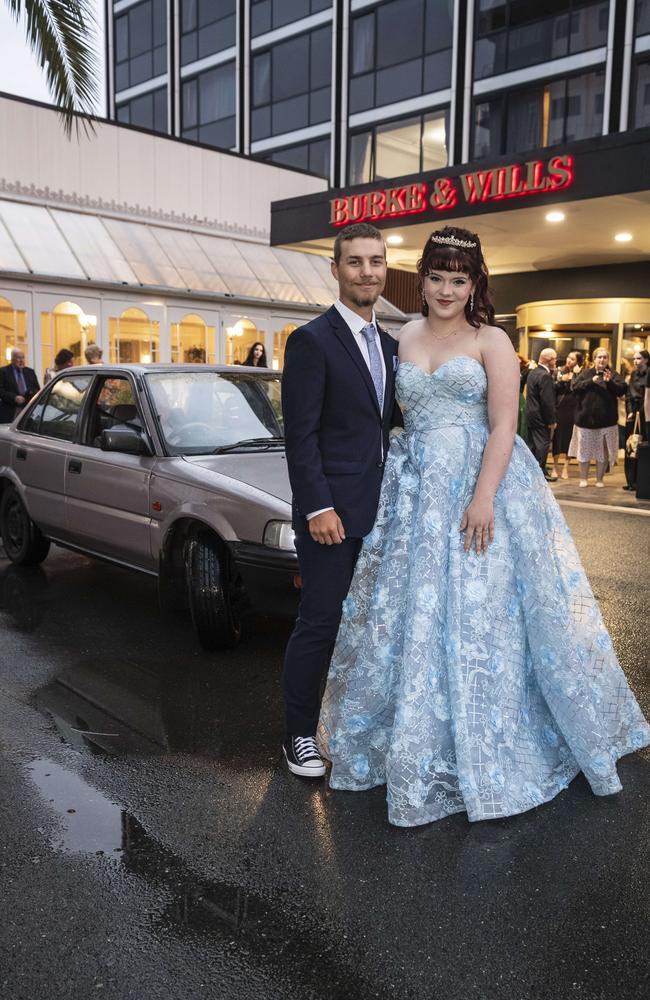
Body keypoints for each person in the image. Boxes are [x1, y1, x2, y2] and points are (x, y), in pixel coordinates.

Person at [318, 225, 650, 827]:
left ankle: (491, 743)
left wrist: (483, 498)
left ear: (475, 284)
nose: (446, 289)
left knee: (486, 616)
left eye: (458, 279)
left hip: (480, 487)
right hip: (415, 494)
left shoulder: (492, 340)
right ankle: (421, 743)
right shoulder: (401, 337)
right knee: (414, 616)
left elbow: (504, 426)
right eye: (437, 277)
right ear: (421, 279)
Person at [281, 222, 400, 778]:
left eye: (376, 261)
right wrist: (317, 508)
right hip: (331, 515)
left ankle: (357, 724)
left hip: (387, 513)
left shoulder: (395, 345)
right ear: (335, 269)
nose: (367, 272)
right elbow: (299, 436)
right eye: (355, 262)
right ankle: (299, 736)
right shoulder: (311, 340)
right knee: (321, 622)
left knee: (375, 626)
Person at [568, 348, 626, 488]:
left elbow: (622, 390)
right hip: (585, 420)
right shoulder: (586, 373)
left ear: (608, 359)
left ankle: (600, 479)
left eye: (605, 357)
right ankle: (583, 478)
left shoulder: (612, 374)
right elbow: (574, 386)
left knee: (603, 451)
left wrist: (609, 383)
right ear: (594, 359)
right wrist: (591, 381)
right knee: (584, 450)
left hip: (606, 421)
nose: (602, 360)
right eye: (599, 357)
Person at [550, 350, 583, 480]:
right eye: (569, 357)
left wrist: (575, 375)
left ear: (577, 362)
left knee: (570, 438)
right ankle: (554, 466)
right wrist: (561, 381)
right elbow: (552, 388)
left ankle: (565, 467)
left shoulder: (580, 373)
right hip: (561, 408)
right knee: (558, 438)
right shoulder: (559, 371)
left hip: (574, 408)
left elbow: (579, 389)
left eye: (573, 359)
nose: (569, 360)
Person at [525, 348, 557, 479]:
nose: (556, 361)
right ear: (549, 361)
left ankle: (532, 471)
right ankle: (539, 472)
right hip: (540, 415)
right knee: (543, 443)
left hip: (531, 413)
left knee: (532, 444)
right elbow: (547, 401)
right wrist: (551, 420)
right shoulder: (545, 375)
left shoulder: (533, 372)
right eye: (554, 359)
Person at [622, 349, 649, 491]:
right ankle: (631, 481)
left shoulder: (649, 374)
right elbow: (628, 395)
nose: (635, 361)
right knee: (631, 446)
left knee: (643, 446)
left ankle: (642, 481)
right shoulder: (632, 374)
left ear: (645, 360)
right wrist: (630, 411)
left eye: (638, 358)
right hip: (633, 414)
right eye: (634, 358)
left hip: (646, 415)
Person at [0, 349, 41, 423]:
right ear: (12, 359)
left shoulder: (30, 372)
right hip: (10, 411)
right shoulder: (3, 372)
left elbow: (37, 389)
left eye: (23, 358)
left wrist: (31, 393)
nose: (21, 360)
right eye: (18, 358)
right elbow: (1, 391)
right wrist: (14, 398)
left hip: (28, 410)